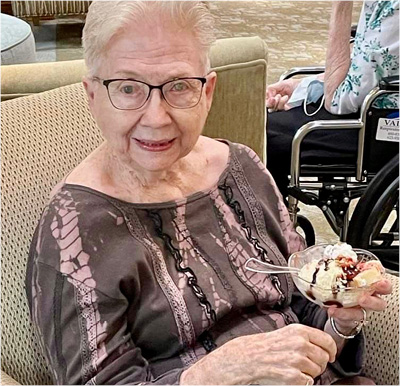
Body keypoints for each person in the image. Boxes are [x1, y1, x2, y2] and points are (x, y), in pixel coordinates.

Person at [25, 1, 391, 385]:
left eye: (179, 86)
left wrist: (342, 318)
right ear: (93, 96)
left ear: (208, 91)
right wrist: (214, 372)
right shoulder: (74, 236)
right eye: (128, 88)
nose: (156, 117)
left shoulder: (242, 168)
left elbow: (304, 309)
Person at [266, 0, 399, 197]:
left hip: (382, 129)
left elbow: (339, 100)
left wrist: (341, 7)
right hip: (371, 112)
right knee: (263, 122)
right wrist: (302, 88)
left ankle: (272, 224)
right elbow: (362, 71)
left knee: (265, 137)